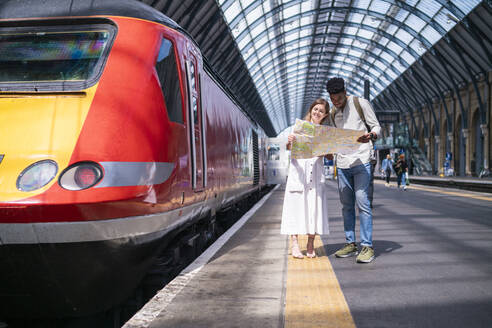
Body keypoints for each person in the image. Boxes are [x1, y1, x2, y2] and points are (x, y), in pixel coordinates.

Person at [326, 77, 381, 263]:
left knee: (362, 202)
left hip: (362, 161)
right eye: (333, 100)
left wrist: (371, 135)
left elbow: (376, 126)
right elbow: (335, 138)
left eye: (339, 99)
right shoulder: (333, 113)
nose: (336, 103)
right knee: (346, 206)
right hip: (342, 164)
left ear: (345, 93)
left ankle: (367, 246)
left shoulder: (360, 103)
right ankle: (350, 243)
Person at [281, 98, 330, 259]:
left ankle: (310, 244)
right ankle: (295, 244)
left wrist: (324, 150)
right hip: (299, 173)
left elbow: (330, 155)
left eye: (321, 111)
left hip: (315, 174)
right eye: (315, 109)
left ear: (325, 115)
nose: (317, 112)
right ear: (311, 110)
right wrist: (290, 142)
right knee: (295, 208)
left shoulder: (325, 132)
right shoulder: (299, 127)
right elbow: (289, 148)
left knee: (313, 209)